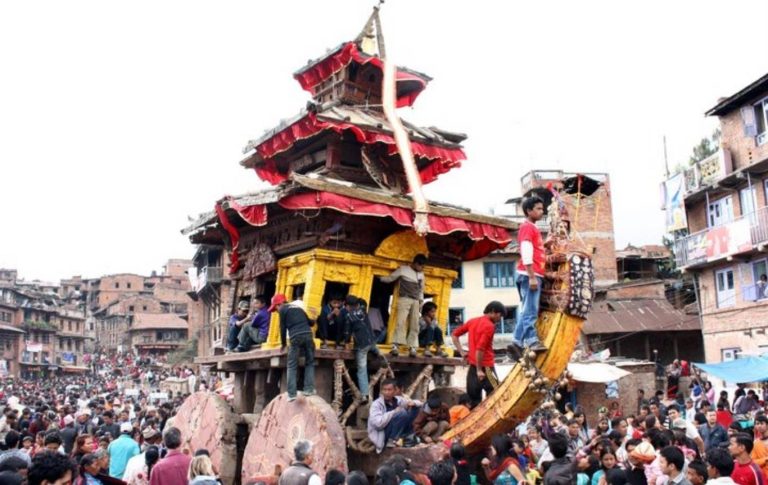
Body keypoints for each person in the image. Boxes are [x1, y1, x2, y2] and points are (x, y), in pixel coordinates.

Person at [451, 301, 505, 406]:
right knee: (495, 396)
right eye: (500, 315)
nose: (500, 318)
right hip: (486, 367)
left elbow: (454, 335)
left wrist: (462, 352)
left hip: (472, 367)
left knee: (473, 401)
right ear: (493, 312)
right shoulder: (489, 326)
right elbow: (480, 349)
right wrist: (480, 370)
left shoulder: (472, 321)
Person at [512, 195, 546, 354]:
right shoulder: (527, 227)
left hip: (531, 273)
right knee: (530, 309)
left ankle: (516, 341)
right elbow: (526, 251)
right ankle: (532, 340)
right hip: (529, 274)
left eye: (542, 208)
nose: (542, 211)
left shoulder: (532, 227)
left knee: (527, 308)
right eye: (538, 209)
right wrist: (532, 276)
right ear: (529, 211)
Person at [379, 254, 427, 357]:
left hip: (415, 301)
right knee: (400, 322)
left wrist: (421, 301)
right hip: (404, 298)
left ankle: (413, 347)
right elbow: (391, 278)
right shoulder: (403, 270)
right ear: (415, 263)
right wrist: (380, 278)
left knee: (415, 324)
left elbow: (421, 290)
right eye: (421, 266)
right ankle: (395, 346)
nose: (422, 268)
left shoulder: (421, 275)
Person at [272, 293, 316, 402]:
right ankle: (308, 389)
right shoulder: (298, 308)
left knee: (291, 365)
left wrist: (283, 344)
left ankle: (291, 394)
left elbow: (282, 328)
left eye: (275, 308)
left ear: (279, 304)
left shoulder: (283, 310)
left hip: (295, 338)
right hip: (308, 336)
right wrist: (315, 317)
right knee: (309, 363)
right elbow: (311, 323)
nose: (276, 311)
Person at [342, 295, 387, 401]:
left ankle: (365, 394)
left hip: (361, 345)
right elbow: (363, 303)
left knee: (362, 369)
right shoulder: (363, 311)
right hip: (371, 340)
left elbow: (347, 332)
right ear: (357, 305)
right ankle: (379, 354)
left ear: (347, 306)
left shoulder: (349, 316)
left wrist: (346, 342)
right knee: (373, 347)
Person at [367, 379, 422, 454]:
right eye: (384, 390)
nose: (386, 392)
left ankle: (408, 438)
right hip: (383, 433)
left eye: (389, 390)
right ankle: (392, 440)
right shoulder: (376, 404)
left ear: (395, 390)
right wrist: (393, 412)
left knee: (415, 408)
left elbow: (419, 403)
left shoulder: (398, 400)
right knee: (402, 413)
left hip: (397, 430)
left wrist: (413, 403)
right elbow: (378, 424)